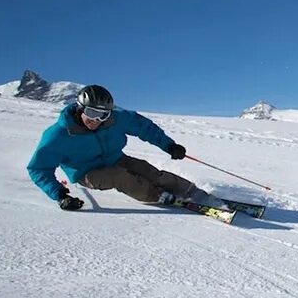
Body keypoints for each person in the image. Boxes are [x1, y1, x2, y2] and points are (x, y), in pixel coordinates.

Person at [27, 84, 215, 211]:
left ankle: (192, 192)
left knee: (147, 170)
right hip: (86, 172)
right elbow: (38, 168)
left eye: (103, 115)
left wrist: (169, 146)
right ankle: (158, 196)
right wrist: (59, 194)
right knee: (120, 177)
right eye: (92, 113)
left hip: (114, 158)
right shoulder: (59, 135)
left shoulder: (116, 119)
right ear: (80, 108)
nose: (96, 120)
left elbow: (145, 128)